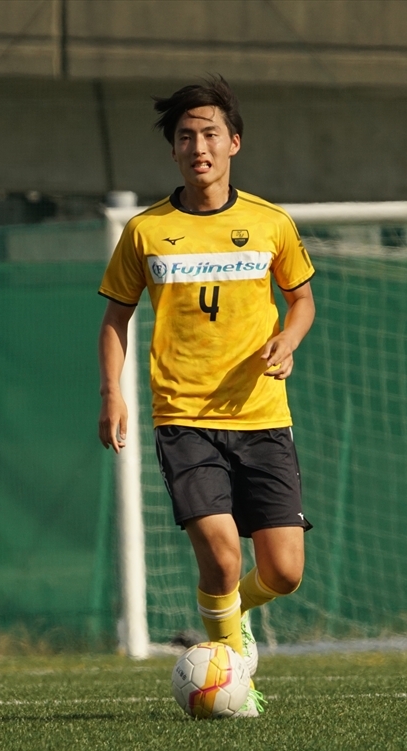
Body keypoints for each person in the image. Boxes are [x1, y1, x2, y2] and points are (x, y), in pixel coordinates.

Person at [97, 76, 316, 717]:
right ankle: (233, 673)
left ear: (234, 143)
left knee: (284, 573)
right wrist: (113, 393)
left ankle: (232, 613)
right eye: (186, 136)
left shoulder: (271, 223)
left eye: (210, 135)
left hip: (262, 416)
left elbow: (301, 299)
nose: (199, 147)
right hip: (184, 417)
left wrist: (289, 338)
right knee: (220, 554)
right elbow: (115, 318)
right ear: (173, 149)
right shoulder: (145, 231)